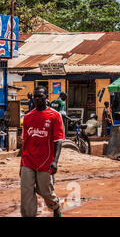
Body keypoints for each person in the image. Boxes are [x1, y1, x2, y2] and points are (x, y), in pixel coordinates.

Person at [20, 86, 64, 217]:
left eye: (41, 96)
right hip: (28, 161)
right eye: (36, 97)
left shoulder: (55, 116)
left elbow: (58, 140)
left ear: (46, 97)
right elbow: (25, 142)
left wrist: (55, 161)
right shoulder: (27, 117)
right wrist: (21, 164)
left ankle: (55, 205)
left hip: (45, 161)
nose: (38, 99)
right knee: (26, 191)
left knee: (45, 191)